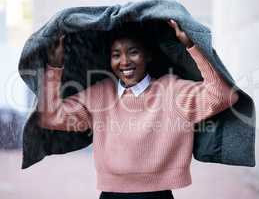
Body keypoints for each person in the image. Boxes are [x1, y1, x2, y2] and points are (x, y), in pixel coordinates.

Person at [37, 19, 239, 199]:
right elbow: (50, 116)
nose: (124, 61)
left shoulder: (172, 90)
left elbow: (222, 95)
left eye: (133, 52)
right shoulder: (100, 94)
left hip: (158, 195)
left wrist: (192, 46)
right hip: (111, 195)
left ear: (148, 55)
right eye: (116, 54)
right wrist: (55, 67)